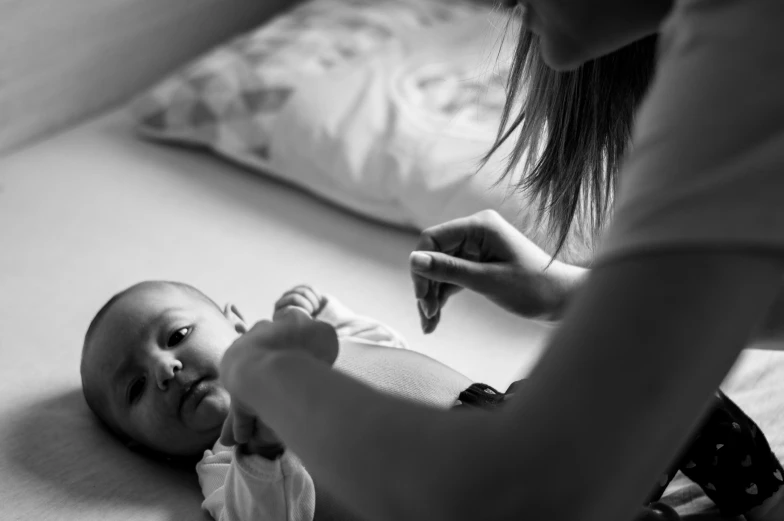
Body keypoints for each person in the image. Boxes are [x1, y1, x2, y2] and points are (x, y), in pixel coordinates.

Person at [217, 0, 784, 520]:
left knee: (685, 412)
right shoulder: (226, 464)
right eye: (133, 387)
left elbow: (516, 493)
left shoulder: (746, 45)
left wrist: (263, 371)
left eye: (180, 330)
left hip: (494, 434)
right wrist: (568, 291)